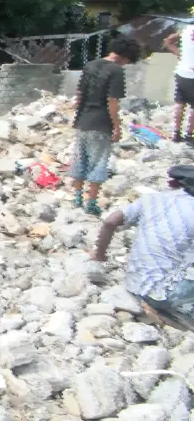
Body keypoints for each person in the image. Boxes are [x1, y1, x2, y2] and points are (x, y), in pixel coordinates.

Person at [91, 165, 194, 326]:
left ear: (173, 183)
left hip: (137, 285)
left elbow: (111, 221)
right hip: (170, 294)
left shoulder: (151, 199)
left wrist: (100, 255)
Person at [70, 35, 142, 216]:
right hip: (101, 123)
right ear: (126, 56)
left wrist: (78, 116)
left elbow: (79, 94)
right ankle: (91, 202)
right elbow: (112, 101)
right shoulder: (116, 71)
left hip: (82, 122)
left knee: (80, 159)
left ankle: (77, 198)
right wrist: (116, 126)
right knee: (98, 162)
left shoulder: (90, 65)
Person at [163, 24, 194, 144]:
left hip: (181, 71)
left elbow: (168, 41)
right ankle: (189, 135)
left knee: (179, 103)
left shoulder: (186, 29)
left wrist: (181, 55)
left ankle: (176, 133)